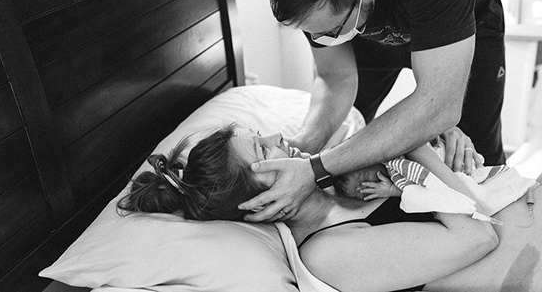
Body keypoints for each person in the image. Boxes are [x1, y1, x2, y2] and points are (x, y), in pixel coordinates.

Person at [240, 0, 506, 221]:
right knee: (356, 162)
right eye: (312, 33)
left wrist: (317, 168)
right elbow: (335, 78)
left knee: (475, 157)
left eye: (330, 32)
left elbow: (440, 105)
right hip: (363, 19)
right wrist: (305, 147)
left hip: (462, 16)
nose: (322, 41)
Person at [118, 124, 499, 292]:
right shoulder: (327, 253)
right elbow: (479, 236)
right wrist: (410, 140)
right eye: (264, 148)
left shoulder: (341, 176)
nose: (278, 136)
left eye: (261, 134)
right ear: (262, 203)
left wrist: (444, 135)